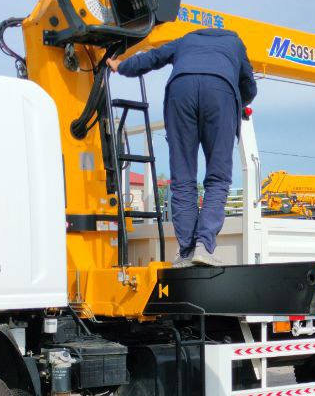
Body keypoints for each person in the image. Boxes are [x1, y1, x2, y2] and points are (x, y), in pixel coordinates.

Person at [108, 28, 257, 267]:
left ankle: (186, 251)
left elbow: (152, 57)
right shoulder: (235, 44)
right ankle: (204, 246)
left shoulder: (186, 39)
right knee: (218, 178)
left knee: (183, 178)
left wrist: (121, 66)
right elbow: (249, 87)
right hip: (220, 93)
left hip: (181, 91)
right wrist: (240, 101)